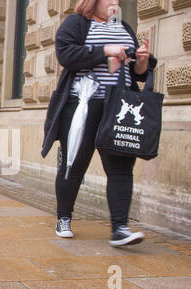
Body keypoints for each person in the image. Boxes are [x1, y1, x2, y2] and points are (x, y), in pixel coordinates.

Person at [41, 0, 156, 246]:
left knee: (121, 167)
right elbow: (66, 54)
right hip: (83, 105)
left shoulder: (124, 27)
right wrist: (105, 50)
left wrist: (142, 61)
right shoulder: (77, 24)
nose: (115, 2)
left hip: (118, 107)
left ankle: (120, 228)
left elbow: (135, 71)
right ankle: (64, 218)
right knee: (74, 163)